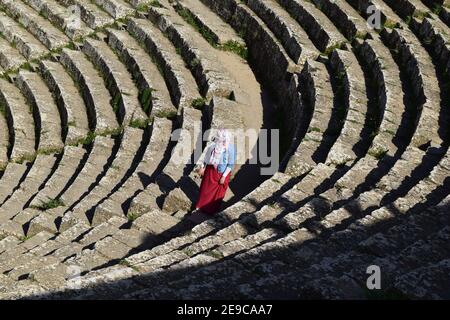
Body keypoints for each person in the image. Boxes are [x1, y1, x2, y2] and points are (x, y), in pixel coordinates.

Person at [195, 129, 236, 215]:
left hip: (222, 173)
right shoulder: (213, 146)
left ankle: (211, 211)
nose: (219, 139)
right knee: (205, 189)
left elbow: (230, 164)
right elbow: (206, 158)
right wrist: (203, 167)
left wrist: (224, 176)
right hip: (211, 171)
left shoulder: (231, 149)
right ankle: (201, 206)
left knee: (217, 193)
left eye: (221, 138)